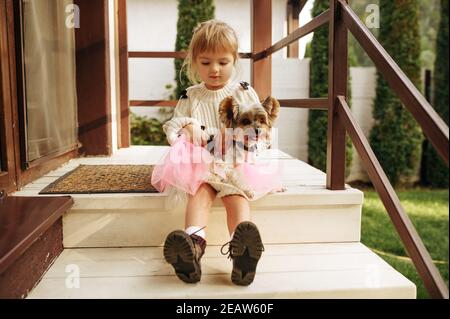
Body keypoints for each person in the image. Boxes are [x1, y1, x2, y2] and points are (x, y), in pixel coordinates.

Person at [158, 19, 279, 286]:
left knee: (236, 196)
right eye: (205, 62)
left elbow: (260, 129)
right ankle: (193, 246)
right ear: (194, 62)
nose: (214, 70)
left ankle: (242, 250)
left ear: (234, 61)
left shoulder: (243, 93)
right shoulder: (190, 96)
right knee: (200, 195)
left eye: (223, 63)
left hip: (235, 161)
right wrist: (187, 128)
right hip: (201, 162)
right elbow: (173, 126)